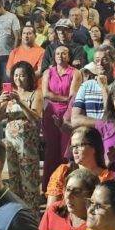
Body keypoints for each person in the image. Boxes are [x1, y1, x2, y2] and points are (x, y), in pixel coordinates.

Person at [0, 61, 44, 208]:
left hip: (27, 145)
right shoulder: (8, 96)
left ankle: (33, 216)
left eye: (22, 75)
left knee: (30, 181)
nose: (18, 79)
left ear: (29, 77)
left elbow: (35, 117)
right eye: (16, 75)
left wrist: (20, 102)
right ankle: (17, 213)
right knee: (13, 180)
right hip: (10, 145)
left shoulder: (35, 94)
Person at [40, 45, 78, 186]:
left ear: (69, 56)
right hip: (50, 114)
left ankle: (64, 185)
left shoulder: (75, 73)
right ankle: (48, 186)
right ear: (54, 56)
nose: (60, 56)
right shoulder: (47, 72)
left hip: (68, 114)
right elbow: (45, 94)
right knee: (51, 150)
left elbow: (73, 96)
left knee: (65, 150)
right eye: (57, 53)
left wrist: (63, 99)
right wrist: (64, 98)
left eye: (64, 53)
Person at [47, 126, 114, 204]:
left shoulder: (107, 178)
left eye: (80, 145)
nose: (75, 150)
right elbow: (51, 209)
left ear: (94, 148)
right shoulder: (63, 171)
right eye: (73, 147)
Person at [0, 0, 21, 72]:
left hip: (7, 54)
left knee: (5, 76)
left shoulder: (12, 17)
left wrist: (14, 52)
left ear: (0, 6)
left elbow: (17, 37)